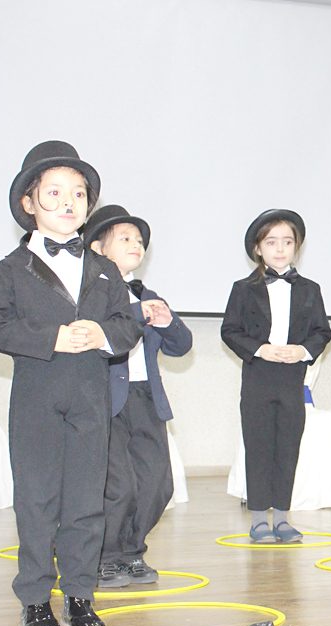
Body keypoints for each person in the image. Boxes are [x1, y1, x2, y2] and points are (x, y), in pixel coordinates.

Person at [0, 141, 141, 626]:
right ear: (29, 203)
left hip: (90, 397)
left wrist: (103, 334)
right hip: (37, 397)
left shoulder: (104, 268)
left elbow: (128, 325)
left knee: (87, 499)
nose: (68, 202)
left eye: (78, 193)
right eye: (54, 193)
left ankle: (80, 595)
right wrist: (50, 338)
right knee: (37, 499)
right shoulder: (10, 268)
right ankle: (34, 600)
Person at [83, 205, 193, 588]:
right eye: (125, 238)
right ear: (98, 249)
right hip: (107, 401)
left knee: (157, 483)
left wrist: (168, 321)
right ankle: (105, 556)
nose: (136, 245)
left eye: (140, 240)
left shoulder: (148, 295)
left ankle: (132, 551)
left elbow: (181, 345)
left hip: (146, 398)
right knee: (118, 486)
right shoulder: (91, 293)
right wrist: (136, 312)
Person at [221, 209, 331, 543]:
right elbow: (230, 330)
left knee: (288, 444)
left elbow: (322, 332)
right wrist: (260, 349)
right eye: (271, 242)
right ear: (258, 248)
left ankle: (282, 518)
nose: (280, 249)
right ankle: (258, 519)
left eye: (287, 242)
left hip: (292, 378)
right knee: (258, 444)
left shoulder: (310, 289)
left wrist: (302, 351)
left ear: (297, 246)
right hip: (258, 376)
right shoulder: (243, 288)